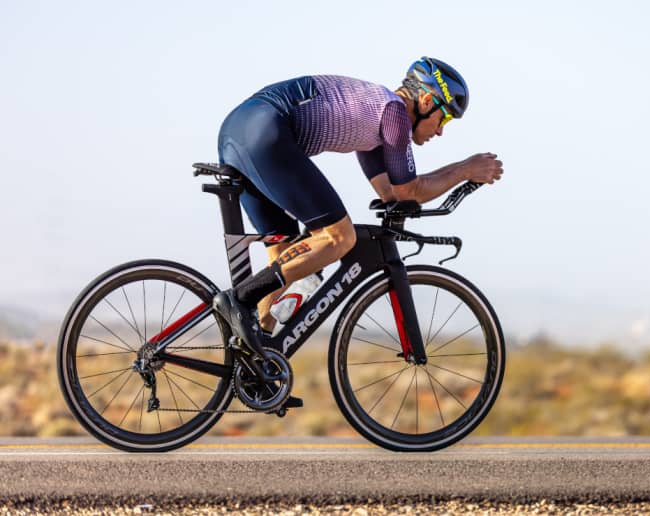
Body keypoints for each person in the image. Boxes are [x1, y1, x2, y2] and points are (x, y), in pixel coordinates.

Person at [212, 57, 503, 350]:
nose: (440, 130)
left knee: (286, 251)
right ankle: (240, 297)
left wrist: (439, 188)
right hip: (266, 129)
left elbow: (392, 194)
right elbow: (410, 191)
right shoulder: (395, 114)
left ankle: (257, 350)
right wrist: (465, 169)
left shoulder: (376, 120)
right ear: (427, 101)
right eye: (446, 118)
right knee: (340, 237)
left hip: (237, 130)